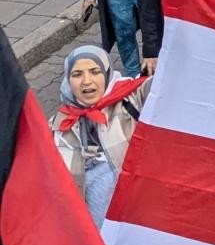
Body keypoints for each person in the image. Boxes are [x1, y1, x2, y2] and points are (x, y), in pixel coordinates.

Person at [54, 44, 148, 222]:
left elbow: (166, 86)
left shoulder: (131, 100)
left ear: (107, 74)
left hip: (136, 220)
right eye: (77, 74)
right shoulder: (57, 126)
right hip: (95, 231)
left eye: (95, 71)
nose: (87, 81)